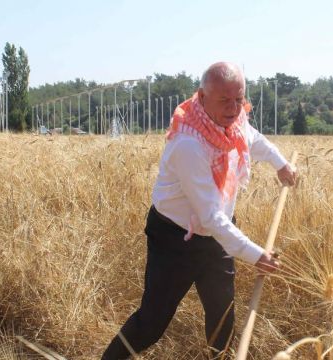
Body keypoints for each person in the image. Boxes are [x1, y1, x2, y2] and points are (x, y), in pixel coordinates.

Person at [101, 62, 297, 359]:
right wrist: (257, 256)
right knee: (152, 322)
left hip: (216, 238)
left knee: (222, 320)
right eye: (224, 100)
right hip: (174, 239)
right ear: (202, 98)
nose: (234, 109)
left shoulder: (235, 119)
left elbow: (252, 139)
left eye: (238, 99)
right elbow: (210, 217)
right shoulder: (188, 144)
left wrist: (280, 163)